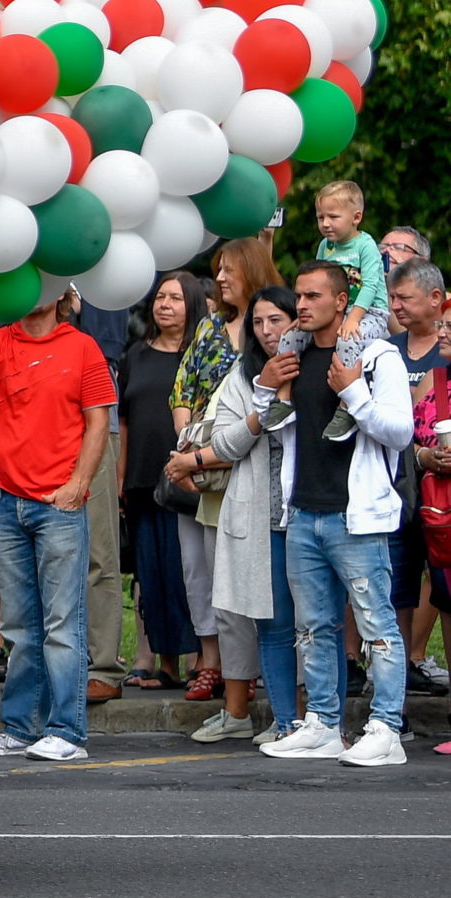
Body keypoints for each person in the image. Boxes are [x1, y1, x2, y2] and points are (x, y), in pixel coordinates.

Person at [0, 286, 114, 767]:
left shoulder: (82, 347)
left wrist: (77, 485)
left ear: (63, 295)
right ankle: (21, 727)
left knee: (62, 623)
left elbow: (98, 422)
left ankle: (67, 731)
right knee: (21, 624)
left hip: (55, 503)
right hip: (4, 502)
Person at [259, 261, 413, 766]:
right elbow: (272, 426)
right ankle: (324, 724)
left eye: (312, 297)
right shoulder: (294, 356)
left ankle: (386, 728)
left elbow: (399, 432)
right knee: (313, 628)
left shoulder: (377, 356)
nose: (300, 306)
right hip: (303, 512)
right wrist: (266, 385)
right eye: (298, 297)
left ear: (342, 301)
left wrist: (352, 390)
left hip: (358, 517)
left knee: (377, 627)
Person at [173, 286, 298, 744]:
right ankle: (251, 714)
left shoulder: (315, 366)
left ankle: (300, 719)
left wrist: (194, 461)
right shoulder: (243, 374)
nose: (267, 331)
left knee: (299, 619)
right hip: (246, 508)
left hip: (299, 511)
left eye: (276, 321)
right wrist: (262, 395)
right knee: (245, 614)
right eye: (259, 323)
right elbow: (223, 440)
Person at [119, 274, 203, 690]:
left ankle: (202, 661)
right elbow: (124, 421)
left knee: (188, 571)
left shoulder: (201, 356)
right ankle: (164, 663)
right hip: (140, 481)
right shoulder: (135, 355)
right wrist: (120, 478)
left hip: (188, 482)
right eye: (160, 297)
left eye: (175, 298)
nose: (164, 304)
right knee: (151, 574)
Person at [386, 259, 447, 701]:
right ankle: (397, 690)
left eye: (404, 298)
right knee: (408, 589)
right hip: (419, 501)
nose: (396, 306)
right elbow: (402, 431)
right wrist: (426, 454)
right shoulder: (431, 376)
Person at [312, 181, 389, 337]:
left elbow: (370, 286)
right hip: (336, 310)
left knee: (348, 339)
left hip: (370, 312)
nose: (325, 223)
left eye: (333, 217)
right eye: (321, 217)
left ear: (356, 217)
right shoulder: (325, 246)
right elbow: (316, 283)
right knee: (294, 335)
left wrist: (353, 319)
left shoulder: (365, 245)